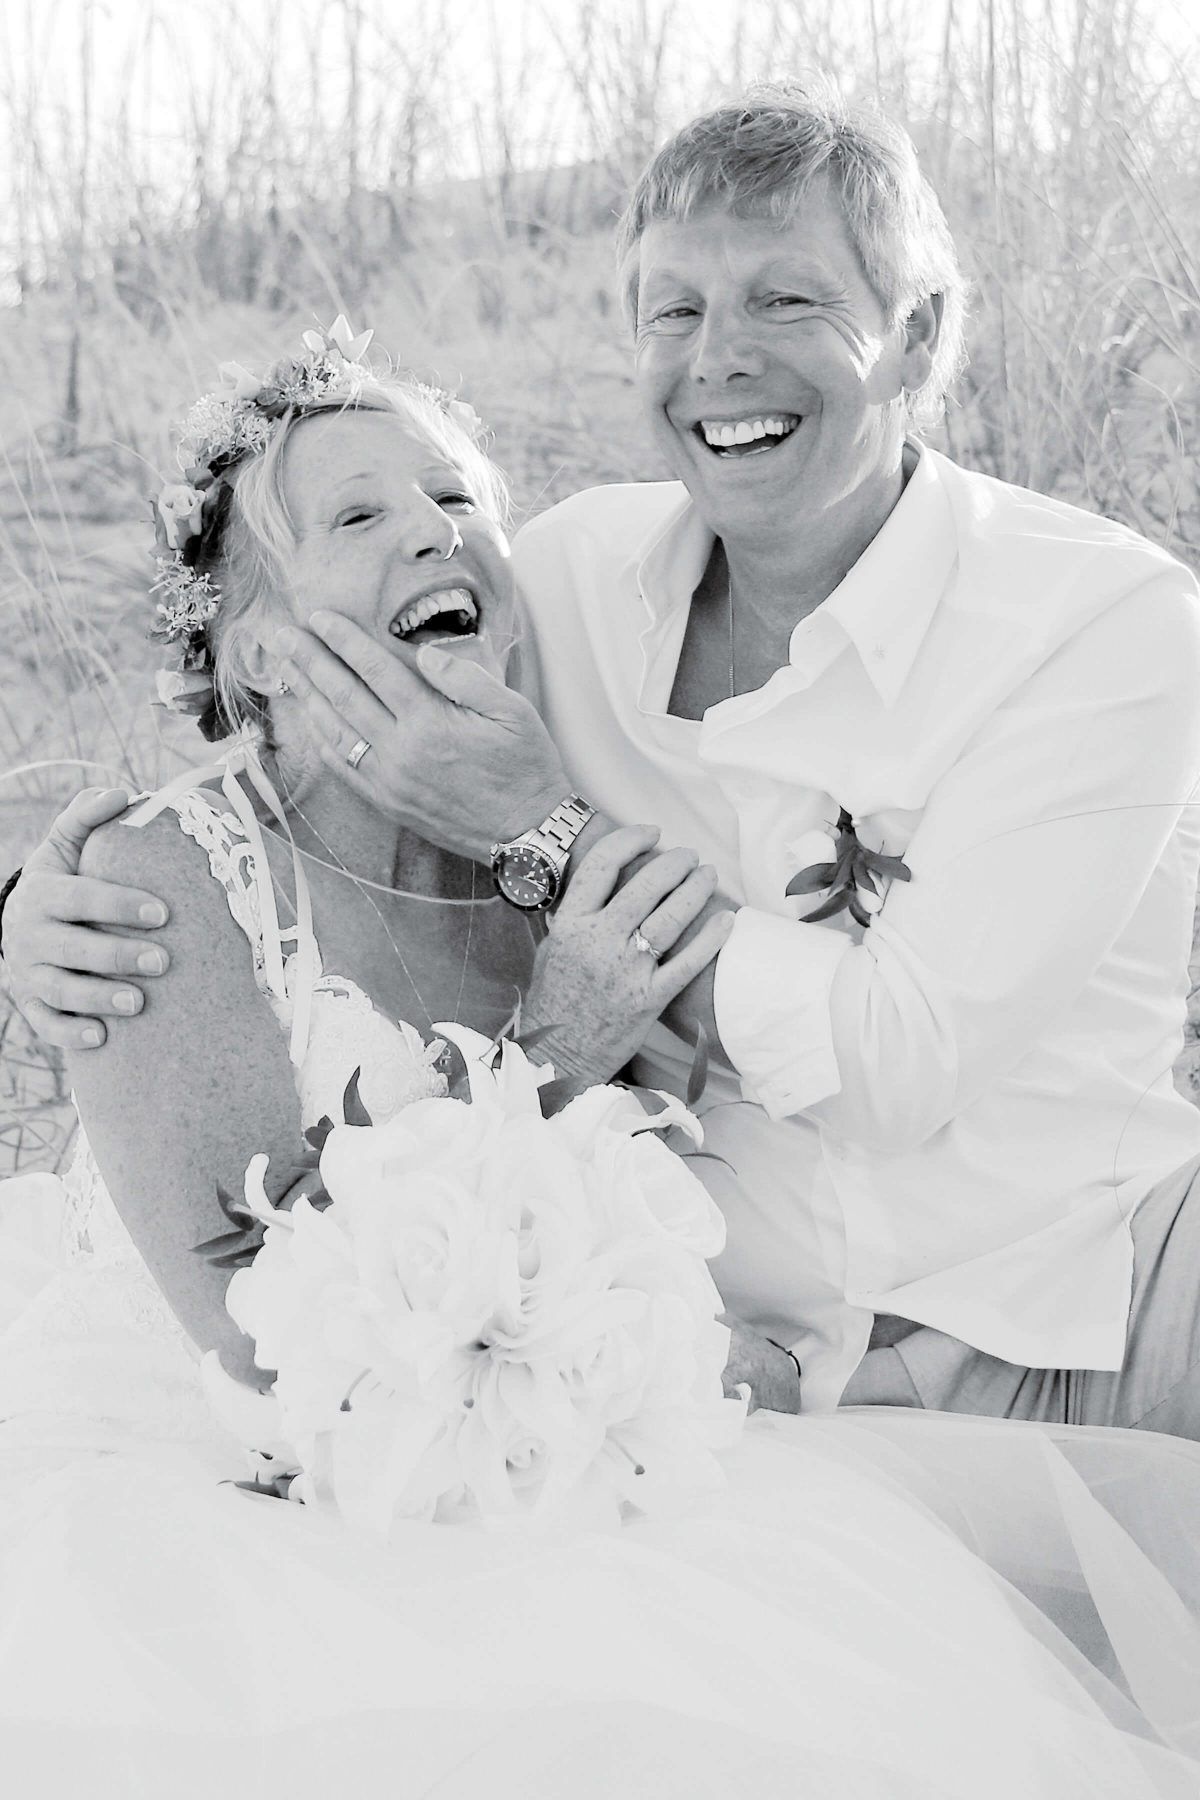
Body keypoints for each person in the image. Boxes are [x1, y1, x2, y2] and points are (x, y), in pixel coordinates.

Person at [1, 315, 1200, 1800]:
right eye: (361, 515)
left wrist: (680, 1336)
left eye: (456, 504)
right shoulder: (162, 884)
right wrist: (562, 1046)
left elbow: (661, 1189)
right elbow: (271, 1358)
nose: (435, 537)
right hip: (291, 1502)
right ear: (256, 648)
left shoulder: (539, 828)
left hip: (612, 1427)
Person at [10, 81, 1200, 1429]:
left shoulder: (1099, 624)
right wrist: (41, 918)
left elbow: (896, 1060)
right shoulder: (566, 582)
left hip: (1065, 1303)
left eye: (788, 300)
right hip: (712, 1371)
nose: (722, 357)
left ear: (917, 336)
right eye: (676, 310)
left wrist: (549, 838)